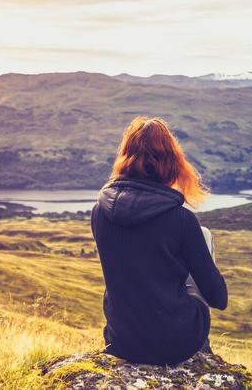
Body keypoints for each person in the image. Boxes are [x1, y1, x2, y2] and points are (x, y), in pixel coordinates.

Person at [91, 116, 228, 366]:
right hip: (175, 343)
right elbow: (218, 298)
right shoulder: (181, 219)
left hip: (121, 341)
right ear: (172, 162)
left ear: (124, 158)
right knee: (205, 234)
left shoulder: (99, 212)